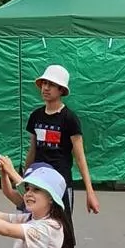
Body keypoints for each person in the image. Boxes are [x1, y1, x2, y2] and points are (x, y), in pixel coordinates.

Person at [24, 64, 101, 215]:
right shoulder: (35, 116)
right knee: (37, 228)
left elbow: (80, 158)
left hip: (60, 184)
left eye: (51, 85)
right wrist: (24, 180)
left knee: (62, 229)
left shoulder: (70, 119)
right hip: (37, 182)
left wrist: (90, 192)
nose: (46, 88)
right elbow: (32, 150)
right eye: (44, 83)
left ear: (61, 90)